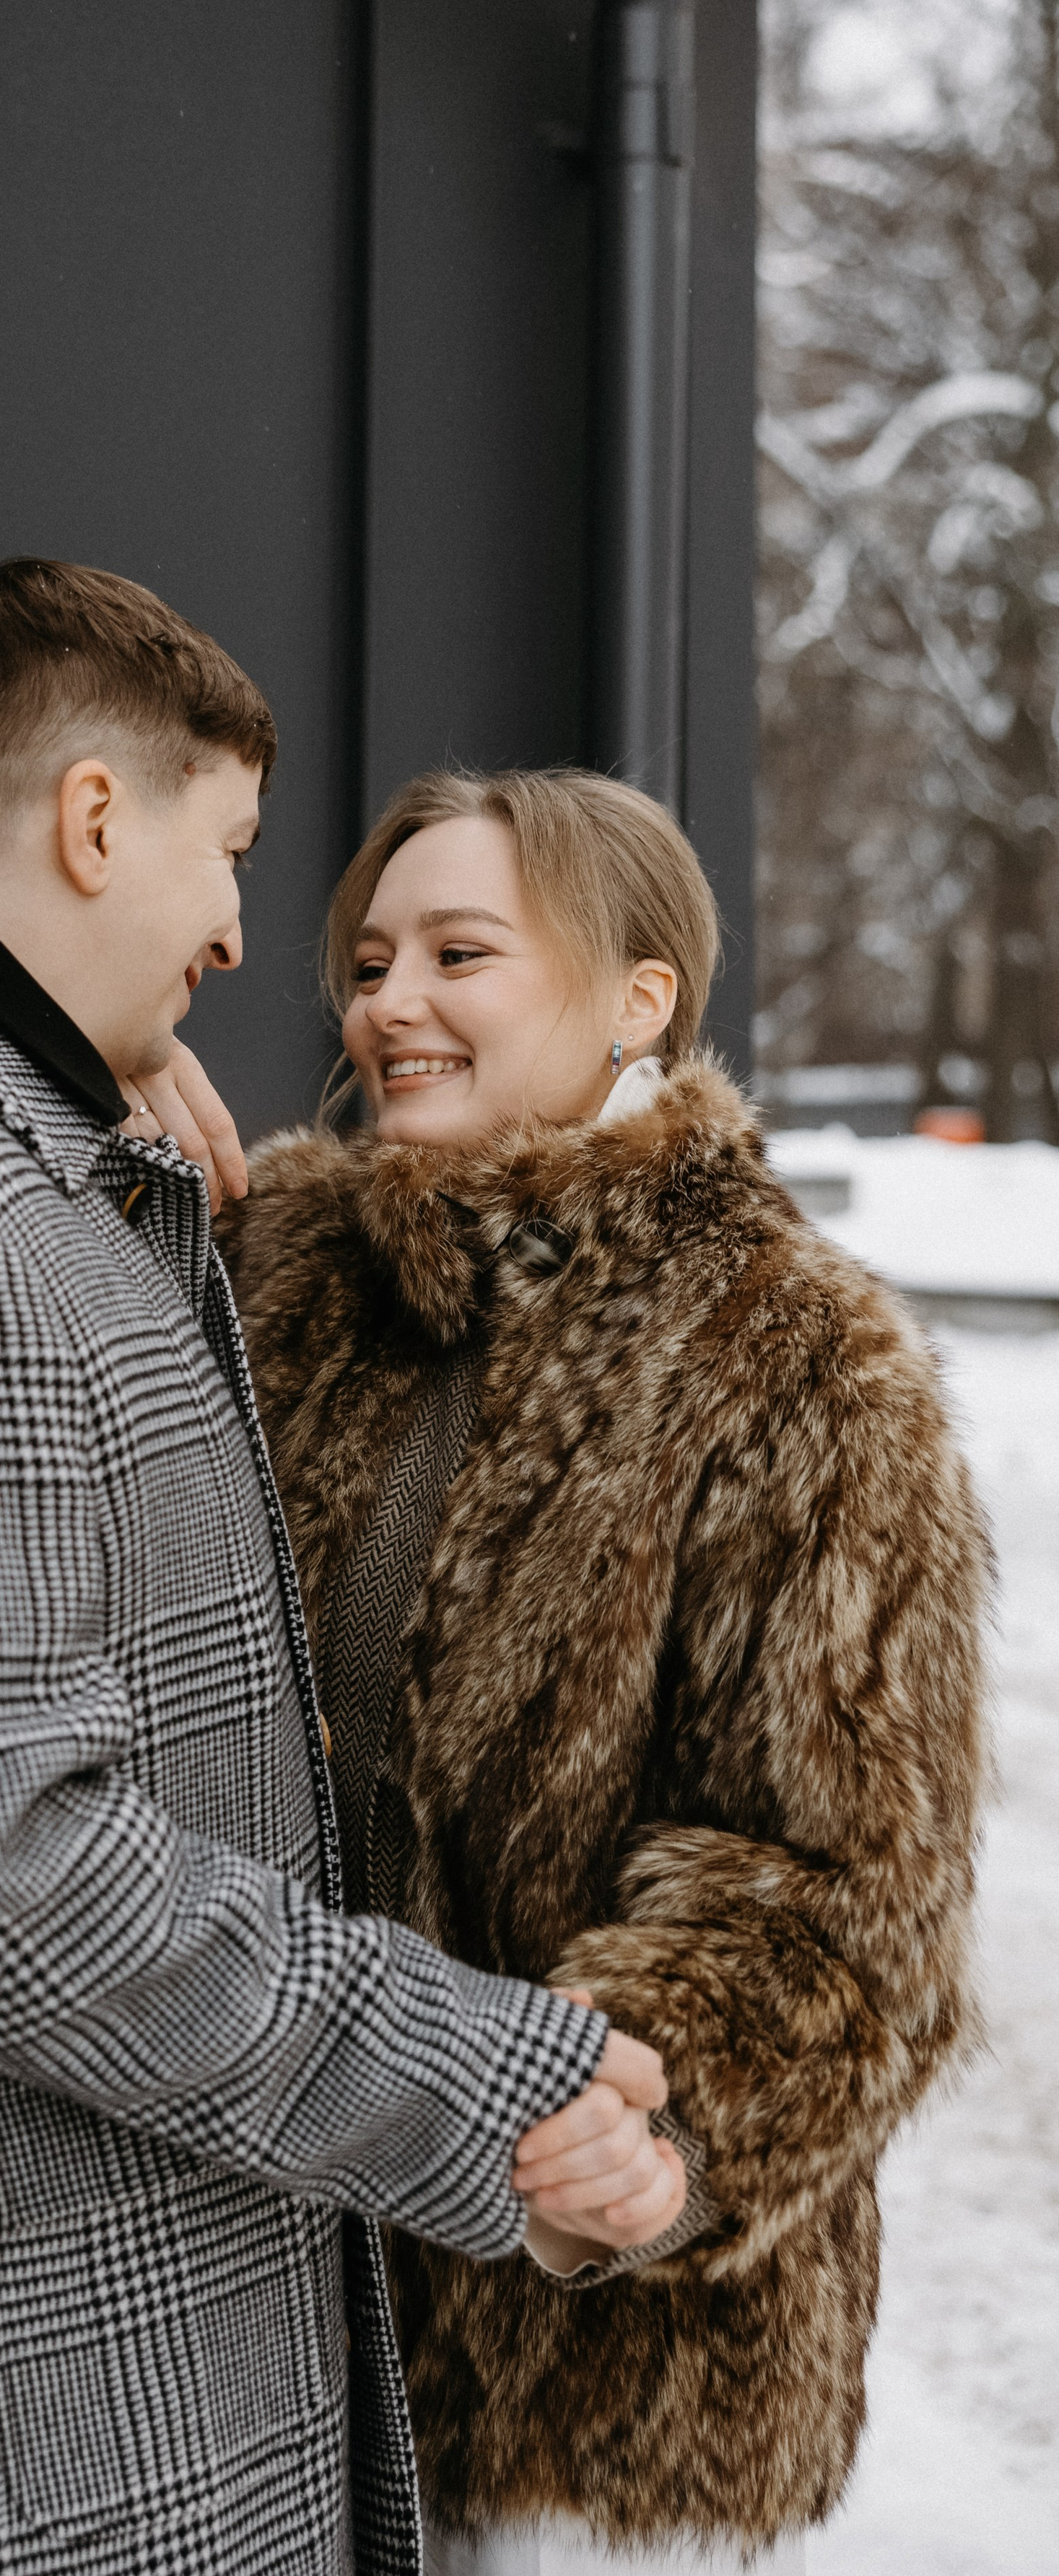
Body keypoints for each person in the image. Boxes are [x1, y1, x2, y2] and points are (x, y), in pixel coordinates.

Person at [0, 566, 676, 2576]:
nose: (239, 935)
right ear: (96, 820)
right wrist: (485, 2082)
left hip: (43, 2389)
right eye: (231, 853)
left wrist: (92, 1126)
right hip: (0, 2446)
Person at [218, 767, 990, 2574]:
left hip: (581, 2372)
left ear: (638, 999)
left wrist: (656, 2134)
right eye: (369, 956)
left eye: (457, 952)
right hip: (251, 2312)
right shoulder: (277, 1277)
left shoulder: (790, 1359)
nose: (385, 1001)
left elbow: (849, 1892)